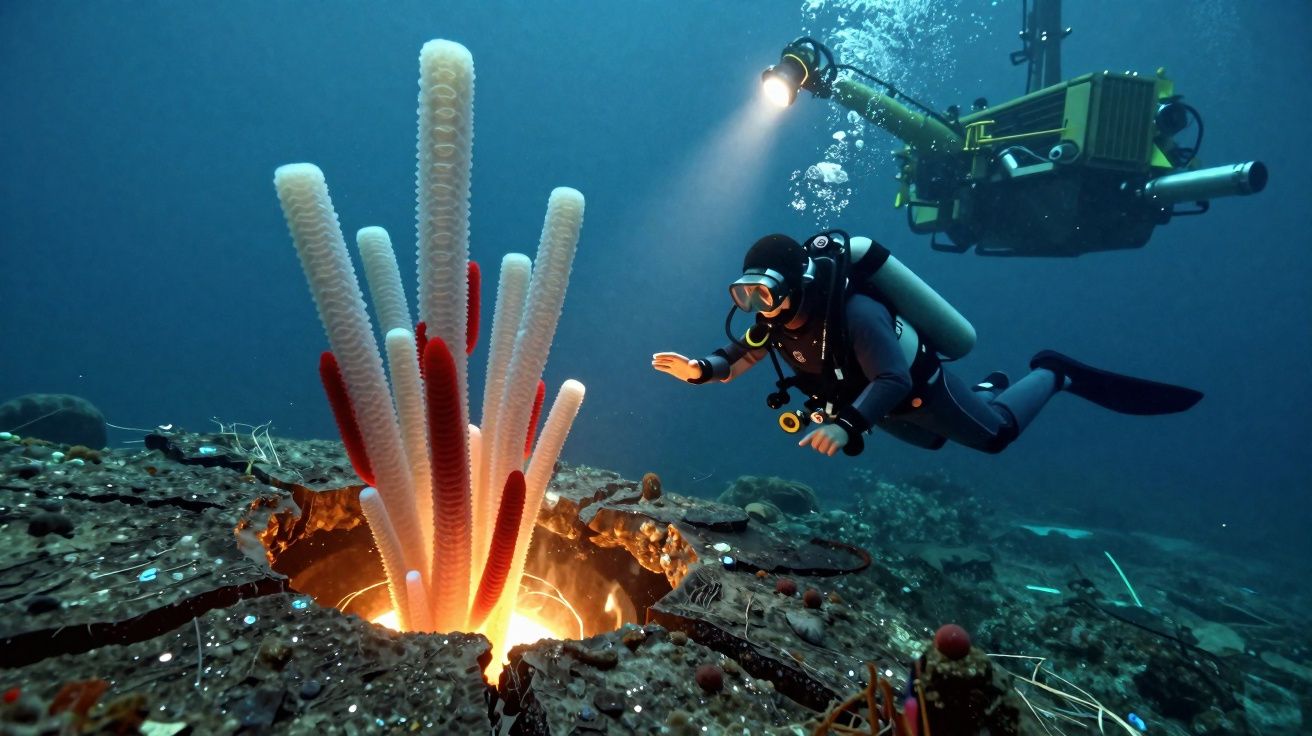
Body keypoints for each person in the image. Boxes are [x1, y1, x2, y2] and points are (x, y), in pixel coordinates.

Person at [652, 232, 1202, 457]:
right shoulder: (775, 320)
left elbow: (893, 379)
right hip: (870, 409)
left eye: (764, 292)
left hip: (915, 393)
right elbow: (742, 354)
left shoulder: (856, 313)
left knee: (994, 437)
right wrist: (701, 370)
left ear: (792, 284)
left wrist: (844, 426)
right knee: (933, 445)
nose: (756, 305)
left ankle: (1054, 373)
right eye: (744, 294)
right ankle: (989, 386)